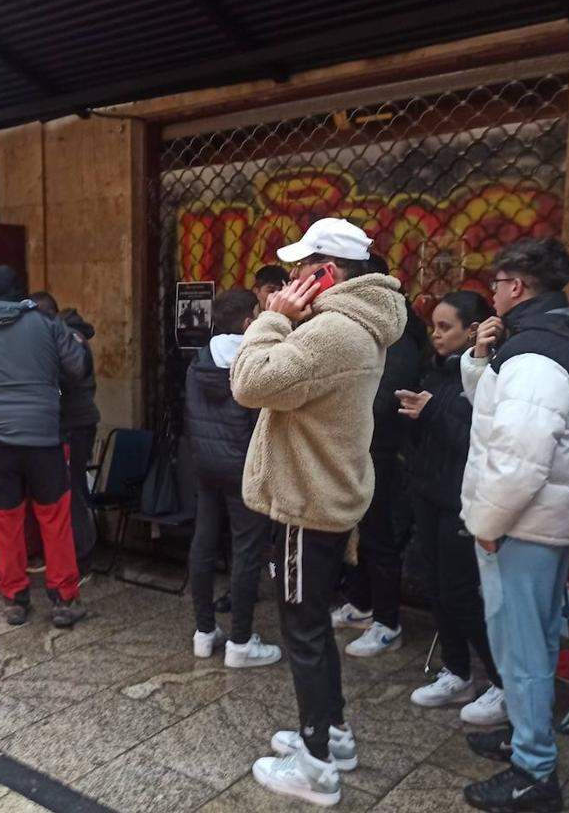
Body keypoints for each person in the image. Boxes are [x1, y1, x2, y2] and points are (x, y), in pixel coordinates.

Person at [233, 217, 406, 806]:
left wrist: (274, 317)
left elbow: (250, 380)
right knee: (312, 629)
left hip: (307, 502)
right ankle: (332, 733)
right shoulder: (354, 325)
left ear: (326, 274)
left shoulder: (333, 330)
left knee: (303, 631)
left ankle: (315, 765)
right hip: (324, 493)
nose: (291, 278)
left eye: (301, 269)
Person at [459, 238, 569, 813]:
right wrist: (478, 357)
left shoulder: (536, 355)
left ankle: (534, 774)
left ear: (516, 287)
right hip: (541, 524)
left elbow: (519, 457)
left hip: (521, 527)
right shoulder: (539, 344)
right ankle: (526, 737)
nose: (491, 293)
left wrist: (487, 523)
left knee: (520, 651)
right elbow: (495, 410)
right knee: (536, 644)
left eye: (495, 284)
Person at [396, 291, 507, 726]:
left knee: (462, 593)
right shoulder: (434, 368)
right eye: (435, 327)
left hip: (462, 497)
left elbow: (480, 438)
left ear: (472, 329)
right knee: (438, 589)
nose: (437, 335)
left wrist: (432, 412)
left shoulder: (490, 376)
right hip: (428, 489)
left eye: (447, 328)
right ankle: (457, 671)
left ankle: (499, 681)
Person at [0, 266, 91, 628]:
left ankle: (15, 600)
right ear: (20, 290)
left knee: (4, 521)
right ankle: (64, 599)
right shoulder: (47, 323)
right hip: (44, 438)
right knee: (54, 519)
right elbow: (78, 367)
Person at [185, 288, 281, 669]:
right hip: (244, 468)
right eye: (258, 312)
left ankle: (204, 633)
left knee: (203, 544)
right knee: (247, 551)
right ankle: (240, 641)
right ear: (247, 322)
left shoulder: (198, 361)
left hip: (206, 465)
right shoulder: (256, 360)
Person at [336, 254, 423, 658]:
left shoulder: (397, 329)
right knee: (354, 533)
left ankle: (387, 622)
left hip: (382, 451)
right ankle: (361, 604)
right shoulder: (361, 325)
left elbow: (388, 396)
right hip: (357, 447)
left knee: (379, 535)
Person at [29, 292, 100, 578]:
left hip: (74, 423)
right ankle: (66, 553)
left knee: (72, 491)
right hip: (67, 422)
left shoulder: (69, 338)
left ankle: (81, 559)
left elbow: (69, 376)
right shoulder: (63, 336)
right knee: (64, 490)